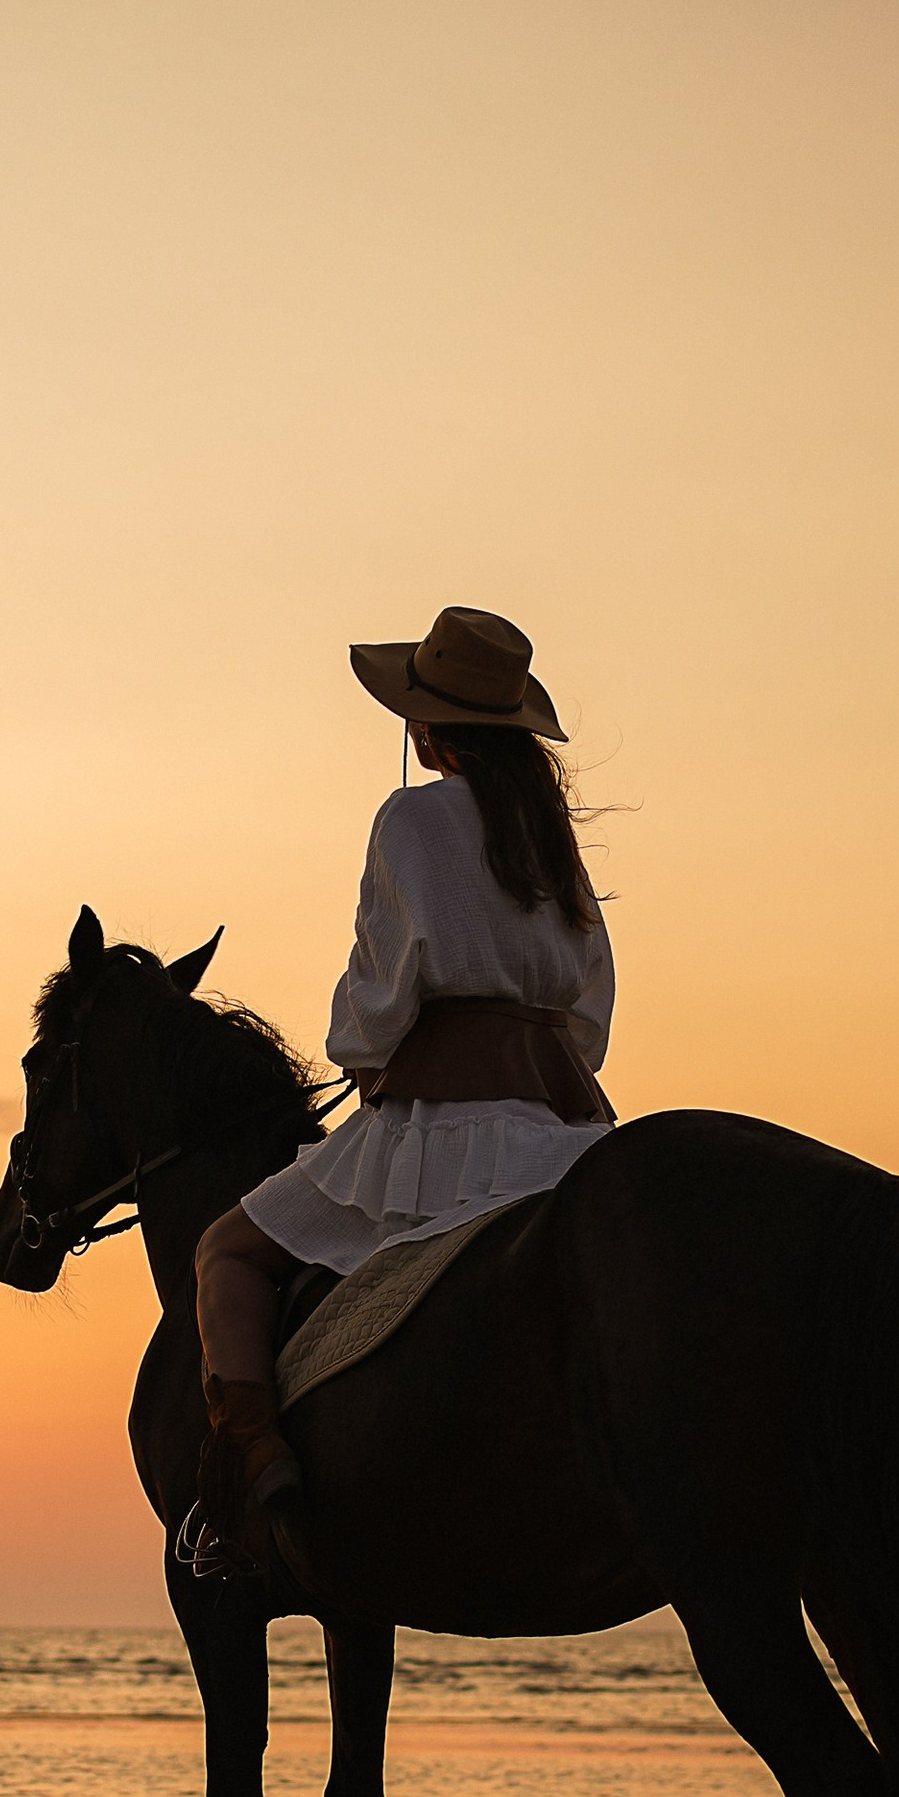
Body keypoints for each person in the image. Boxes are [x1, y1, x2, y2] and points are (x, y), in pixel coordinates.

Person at [193, 603, 616, 1538]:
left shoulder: (412, 820)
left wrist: (364, 1053)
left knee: (224, 1250)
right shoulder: (552, 838)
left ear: (427, 731)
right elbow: (589, 1004)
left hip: (438, 1125)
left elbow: (383, 990)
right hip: (563, 1125)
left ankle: (250, 1474)